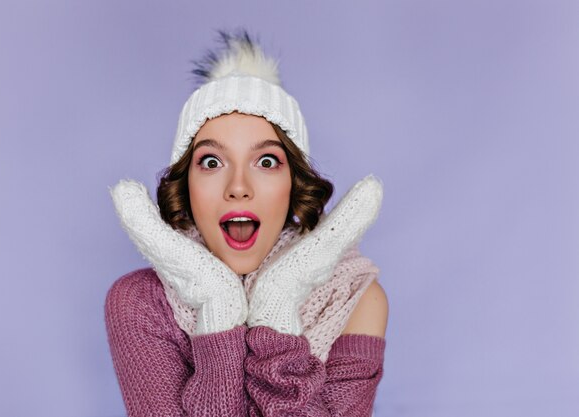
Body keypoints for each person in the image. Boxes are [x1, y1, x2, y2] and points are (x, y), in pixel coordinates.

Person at [105, 28, 389, 416]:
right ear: (186, 186)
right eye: (211, 162)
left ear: (295, 184)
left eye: (267, 161)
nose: (238, 187)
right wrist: (216, 307)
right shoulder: (139, 303)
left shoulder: (354, 301)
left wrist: (278, 308)